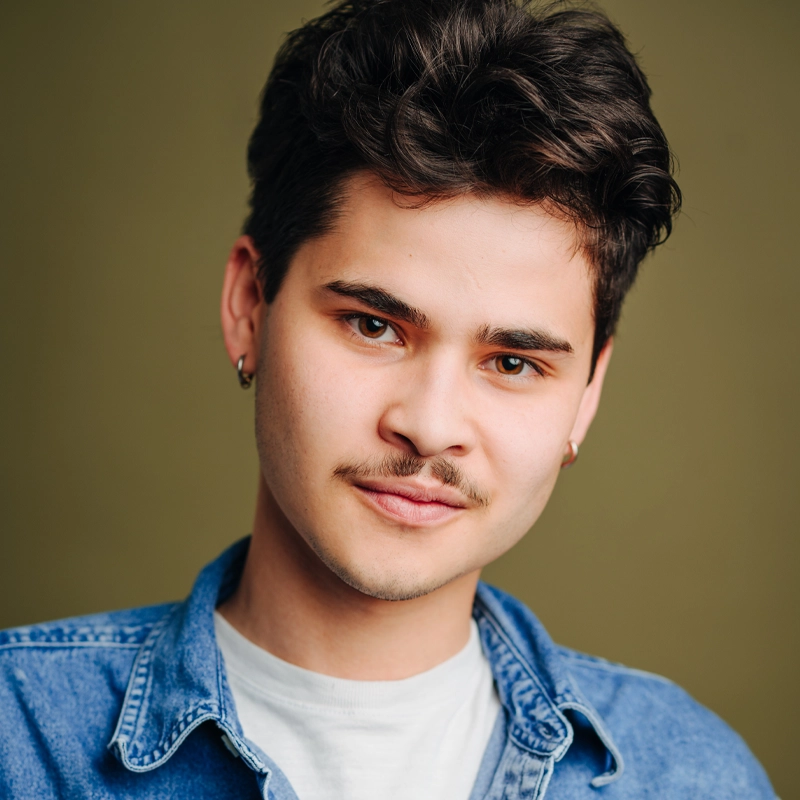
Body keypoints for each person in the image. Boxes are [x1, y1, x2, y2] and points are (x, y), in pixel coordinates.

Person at [0, 0, 776, 797]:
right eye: (374, 325)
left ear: (586, 397)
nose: (430, 427)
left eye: (512, 363)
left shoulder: (689, 776)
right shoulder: (17, 738)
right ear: (248, 305)